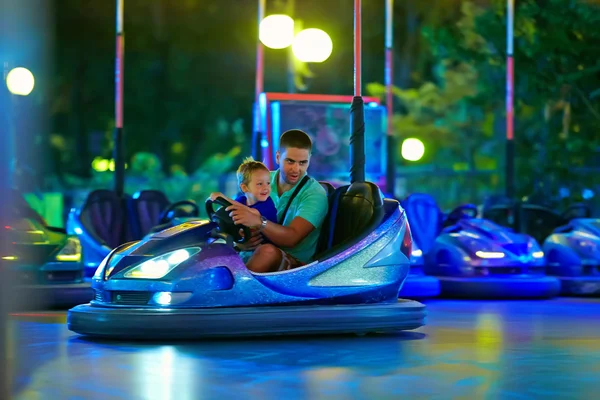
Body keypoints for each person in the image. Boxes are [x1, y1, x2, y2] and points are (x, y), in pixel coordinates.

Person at [226, 129, 328, 273]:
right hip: (253, 252)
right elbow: (239, 212)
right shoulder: (262, 180)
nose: (296, 169)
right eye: (290, 161)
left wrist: (259, 222)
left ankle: (239, 293)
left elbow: (292, 238)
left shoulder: (314, 193)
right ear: (278, 157)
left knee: (267, 251)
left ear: (309, 160)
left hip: (296, 268)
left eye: (303, 163)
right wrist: (241, 241)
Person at [209, 158, 277, 260]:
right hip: (246, 248)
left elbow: (250, 213)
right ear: (245, 188)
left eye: (268, 183)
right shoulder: (241, 200)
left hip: (265, 250)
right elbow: (230, 211)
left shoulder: (267, 204)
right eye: (260, 184)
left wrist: (224, 198)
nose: (266, 188)